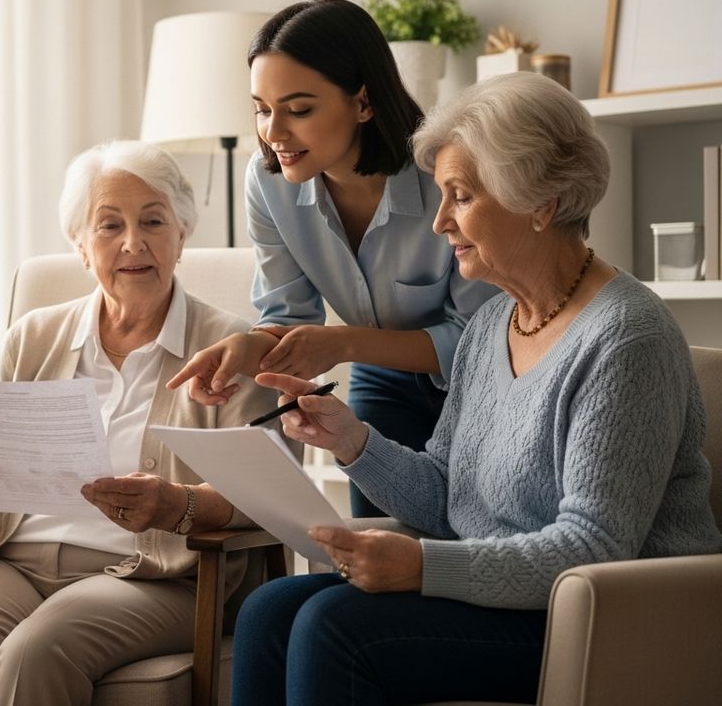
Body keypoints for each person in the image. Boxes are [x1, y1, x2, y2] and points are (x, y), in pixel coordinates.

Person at [229, 72, 722, 705]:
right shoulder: (493, 321)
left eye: (459, 197)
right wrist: (351, 440)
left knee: (336, 629)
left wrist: (424, 568)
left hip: (612, 619)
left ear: (539, 202)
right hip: (507, 597)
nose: (438, 223)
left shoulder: (626, 337)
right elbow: (448, 498)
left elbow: (594, 546)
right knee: (268, 612)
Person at [0, 141, 280, 706]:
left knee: (35, 653)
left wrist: (175, 504)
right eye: (109, 226)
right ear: (81, 246)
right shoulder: (32, 336)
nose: (133, 242)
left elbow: (266, 493)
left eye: (153, 221)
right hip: (9, 562)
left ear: (181, 234)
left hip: (155, 575)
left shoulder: (229, 345)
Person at [168, 0, 497, 517]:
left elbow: (481, 342)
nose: (273, 133)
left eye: (299, 110)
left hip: (487, 385)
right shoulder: (267, 184)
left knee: (461, 541)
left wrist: (342, 342)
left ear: (363, 102)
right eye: (261, 109)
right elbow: (289, 318)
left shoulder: (446, 176)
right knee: (379, 552)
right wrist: (245, 349)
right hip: (381, 378)